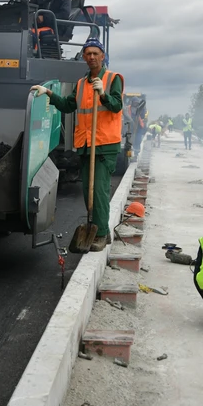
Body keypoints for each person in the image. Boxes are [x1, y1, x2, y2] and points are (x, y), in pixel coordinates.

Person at [31, 38, 123, 252]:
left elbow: (117, 106)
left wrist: (103, 94)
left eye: (95, 53)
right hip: (86, 145)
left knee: (98, 191)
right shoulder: (82, 84)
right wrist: (50, 94)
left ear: (102, 56)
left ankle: (99, 234)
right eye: (87, 53)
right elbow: (68, 105)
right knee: (87, 190)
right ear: (84, 57)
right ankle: (102, 232)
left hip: (104, 145)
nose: (91, 57)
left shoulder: (112, 79)